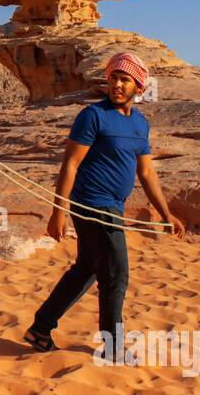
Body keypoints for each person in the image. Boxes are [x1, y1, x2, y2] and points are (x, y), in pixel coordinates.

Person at [23, 52, 184, 360]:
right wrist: (58, 211)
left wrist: (166, 214)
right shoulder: (92, 116)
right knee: (117, 275)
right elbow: (70, 164)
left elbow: (146, 172)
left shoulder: (140, 124)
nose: (117, 85)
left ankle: (40, 329)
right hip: (92, 205)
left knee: (87, 270)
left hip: (114, 207)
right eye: (113, 78)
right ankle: (112, 348)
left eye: (125, 80)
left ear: (139, 86)